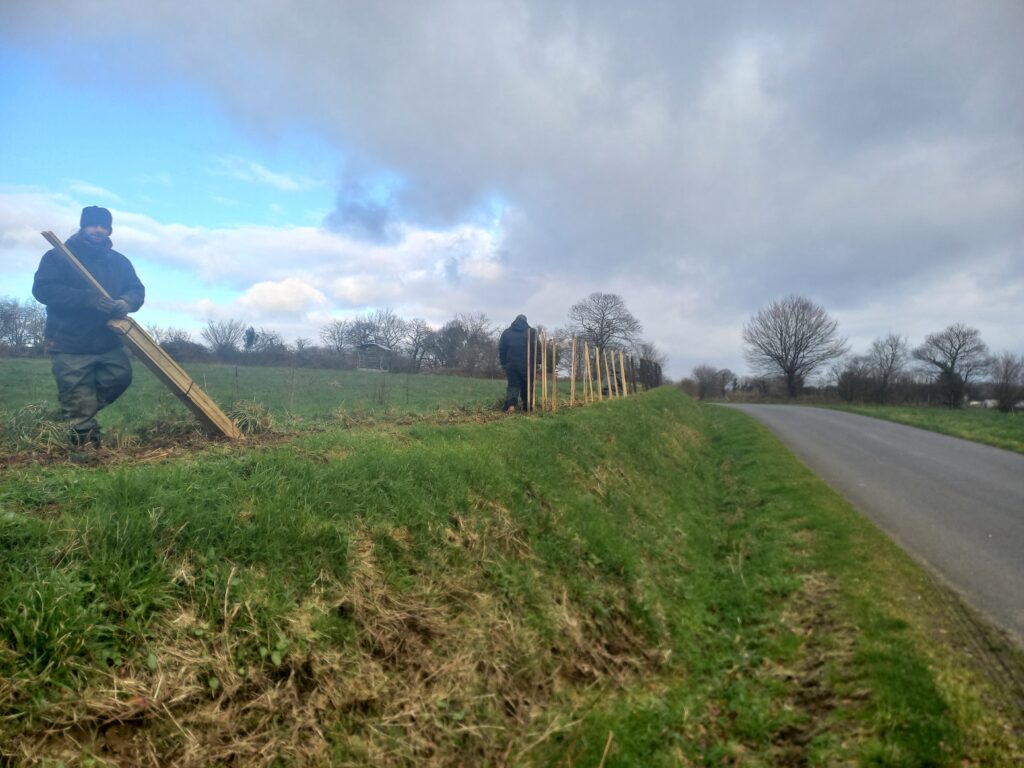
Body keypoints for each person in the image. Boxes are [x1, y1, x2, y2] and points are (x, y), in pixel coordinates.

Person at [32, 206, 145, 448]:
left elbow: (137, 289)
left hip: (108, 341)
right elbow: (43, 289)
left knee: (121, 377)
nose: (98, 230)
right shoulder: (58, 256)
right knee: (76, 395)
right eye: (93, 225)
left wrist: (126, 302)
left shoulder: (119, 262)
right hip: (69, 342)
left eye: (104, 226)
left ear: (109, 230)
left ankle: (73, 414)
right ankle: (84, 449)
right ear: (83, 226)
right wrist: (87, 299)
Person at [498, 314, 541, 412]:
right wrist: (538, 362)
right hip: (527, 365)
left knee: (513, 385)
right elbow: (537, 347)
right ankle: (527, 406)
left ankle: (511, 405)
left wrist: (503, 363)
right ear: (526, 321)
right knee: (527, 385)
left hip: (511, 364)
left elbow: (502, 349)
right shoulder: (531, 332)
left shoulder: (506, 333)